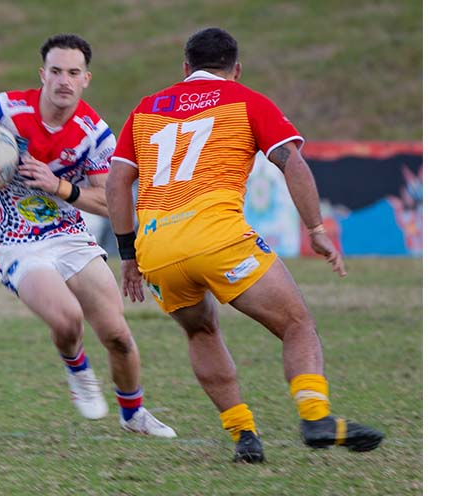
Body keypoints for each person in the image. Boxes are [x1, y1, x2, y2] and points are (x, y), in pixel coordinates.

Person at [105, 27, 383, 462]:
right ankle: (316, 418)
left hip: (157, 248)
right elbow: (292, 163)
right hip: (218, 238)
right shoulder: (247, 100)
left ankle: (243, 435)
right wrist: (316, 229)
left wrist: (127, 255)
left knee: (200, 330)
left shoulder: (146, 108)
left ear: (185, 68)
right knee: (297, 324)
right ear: (236, 69)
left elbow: (117, 181)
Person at [0, 33, 176, 438]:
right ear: (42, 74)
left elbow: (110, 201)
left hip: (69, 237)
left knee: (118, 335)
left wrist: (59, 186)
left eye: (74, 73)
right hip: (16, 241)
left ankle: (133, 413)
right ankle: (78, 369)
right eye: (57, 71)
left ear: (86, 79)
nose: (64, 80)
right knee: (67, 320)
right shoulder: (1, 110)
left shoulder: (94, 133)